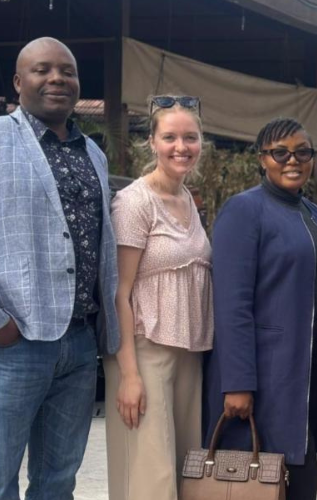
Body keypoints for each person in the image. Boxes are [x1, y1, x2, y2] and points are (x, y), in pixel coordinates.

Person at [0, 37, 120, 500]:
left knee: (58, 484)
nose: (57, 78)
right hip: (10, 348)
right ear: (18, 82)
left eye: (67, 71)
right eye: (42, 69)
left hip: (77, 347)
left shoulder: (92, 154)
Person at [204, 117, 317, 500]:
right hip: (264, 377)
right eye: (280, 153)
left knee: (300, 479)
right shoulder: (244, 210)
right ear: (262, 159)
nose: (292, 160)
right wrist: (237, 382)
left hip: (308, 372)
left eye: (302, 152)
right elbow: (231, 304)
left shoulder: (316, 214)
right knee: (259, 483)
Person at [104, 95, 213, 500]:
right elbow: (120, 292)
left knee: (187, 474)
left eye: (190, 137)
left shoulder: (188, 200)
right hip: (146, 352)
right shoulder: (134, 202)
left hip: (190, 351)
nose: (180, 147)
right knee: (152, 479)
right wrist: (128, 375)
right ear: (151, 142)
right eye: (170, 137)